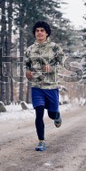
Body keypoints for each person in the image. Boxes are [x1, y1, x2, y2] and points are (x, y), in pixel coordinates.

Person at [24, 21, 65, 151]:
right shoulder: (30, 49)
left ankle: (56, 115)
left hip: (51, 86)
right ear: (34, 33)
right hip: (37, 86)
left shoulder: (54, 47)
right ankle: (41, 141)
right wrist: (27, 72)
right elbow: (26, 64)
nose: (39, 32)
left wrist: (52, 67)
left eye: (42, 30)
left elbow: (62, 62)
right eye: (37, 30)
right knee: (39, 112)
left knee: (52, 115)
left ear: (47, 33)